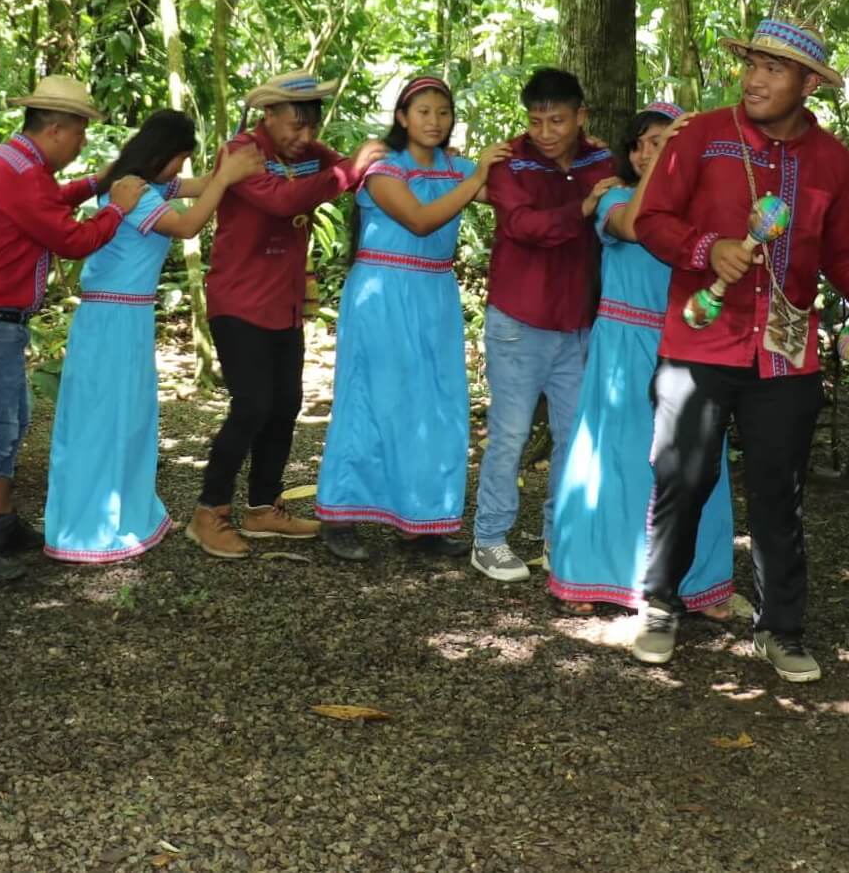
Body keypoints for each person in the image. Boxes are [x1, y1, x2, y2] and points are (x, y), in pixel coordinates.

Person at [632, 20, 849, 681]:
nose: (754, 79)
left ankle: (780, 629)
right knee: (682, 477)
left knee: (779, 491)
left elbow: (838, 251)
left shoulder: (832, 160)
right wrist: (704, 249)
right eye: (751, 64)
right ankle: (660, 605)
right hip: (699, 342)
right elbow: (650, 219)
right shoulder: (699, 136)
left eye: (774, 70)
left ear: (808, 85)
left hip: (785, 352)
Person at [0, 75, 145, 580]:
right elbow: (71, 240)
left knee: (10, 423)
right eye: (79, 135)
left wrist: (96, 184)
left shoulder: (13, 164)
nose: (79, 145)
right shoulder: (18, 175)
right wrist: (117, 207)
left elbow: (48, 204)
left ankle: (0, 521)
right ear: (57, 129)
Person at [45, 111, 264, 563]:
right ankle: (89, 528)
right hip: (111, 319)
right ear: (164, 153)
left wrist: (232, 163)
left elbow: (200, 186)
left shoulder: (147, 185)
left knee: (127, 417)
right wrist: (226, 178)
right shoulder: (132, 190)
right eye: (180, 159)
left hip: (128, 317)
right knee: (102, 418)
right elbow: (187, 226)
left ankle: (119, 513)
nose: (182, 170)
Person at [189, 70, 387, 559]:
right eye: (294, 125)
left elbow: (335, 165)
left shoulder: (307, 154)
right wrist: (350, 169)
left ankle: (261, 508)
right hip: (238, 302)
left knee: (285, 406)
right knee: (252, 405)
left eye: (311, 127)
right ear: (268, 114)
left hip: (285, 304)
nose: (304, 137)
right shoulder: (241, 152)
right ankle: (208, 511)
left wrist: (358, 160)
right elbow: (284, 201)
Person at [547, 104, 734, 616]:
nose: (648, 152)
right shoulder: (616, 199)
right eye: (642, 143)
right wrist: (667, 168)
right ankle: (589, 578)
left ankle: (700, 584)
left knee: (695, 460)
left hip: (688, 343)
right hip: (622, 346)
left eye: (662, 142)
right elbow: (637, 226)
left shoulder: (703, 210)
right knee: (612, 458)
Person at [316, 76, 510, 560]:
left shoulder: (456, 167)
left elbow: (517, 187)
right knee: (369, 400)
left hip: (434, 293)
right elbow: (421, 220)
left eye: (443, 112)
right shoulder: (384, 166)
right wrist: (476, 177)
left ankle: (421, 520)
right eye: (423, 111)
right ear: (403, 117)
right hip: (382, 293)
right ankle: (342, 515)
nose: (434, 121)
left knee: (435, 402)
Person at [469, 68, 618, 582]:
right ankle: (489, 538)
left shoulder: (602, 160)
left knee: (572, 437)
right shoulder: (510, 162)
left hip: (575, 324)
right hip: (518, 321)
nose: (546, 131)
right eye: (536, 121)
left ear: (582, 117)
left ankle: (559, 539)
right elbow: (522, 226)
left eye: (557, 120)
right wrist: (583, 207)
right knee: (509, 434)